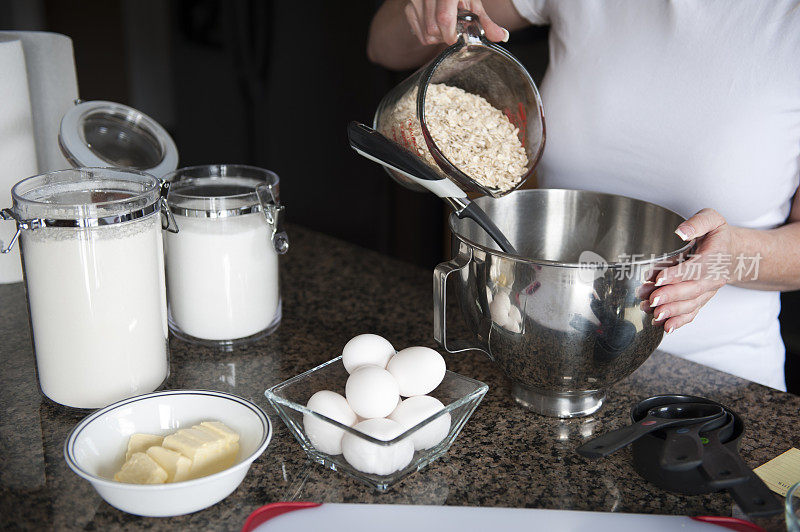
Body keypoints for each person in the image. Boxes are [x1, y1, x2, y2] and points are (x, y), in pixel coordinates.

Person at [367, 0, 800, 390]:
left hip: (719, 382)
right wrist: (430, 10)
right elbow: (384, 45)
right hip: (535, 355)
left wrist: (731, 254)